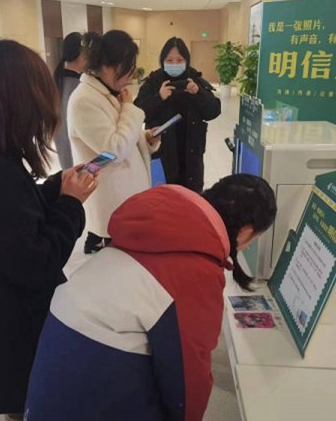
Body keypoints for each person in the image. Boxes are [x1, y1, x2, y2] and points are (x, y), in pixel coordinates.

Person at [24, 174, 277, 421]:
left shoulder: (158, 229)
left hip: (53, 371)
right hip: (91, 383)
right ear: (246, 233)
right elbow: (187, 378)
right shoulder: (195, 270)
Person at [0, 39, 97, 420]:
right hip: (6, 331)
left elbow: (7, 219)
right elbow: (36, 261)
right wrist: (71, 204)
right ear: (18, 96)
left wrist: (55, 187)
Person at [67, 29, 159, 254]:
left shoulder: (108, 92)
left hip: (125, 192)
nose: (132, 74)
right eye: (127, 67)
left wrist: (145, 139)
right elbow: (113, 151)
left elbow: (121, 138)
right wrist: (129, 109)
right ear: (108, 66)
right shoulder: (84, 100)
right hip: (112, 196)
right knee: (121, 258)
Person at [134, 37, 221, 193]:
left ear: (186, 60)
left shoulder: (195, 80)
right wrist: (159, 97)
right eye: (169, 60)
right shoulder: (153, 82)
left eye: (179, 60)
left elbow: (213, 111)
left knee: (191, 197)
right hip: (161, 156)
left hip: (191, 155)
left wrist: (198, 93)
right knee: (162, 198)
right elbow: (138, 112)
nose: (174, 64)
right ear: (162, 61)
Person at [52, 31, 93, 169]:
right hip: (79, 159)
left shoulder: (57, 81)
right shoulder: (78, 86)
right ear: (82, 56)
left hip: (65, 156)